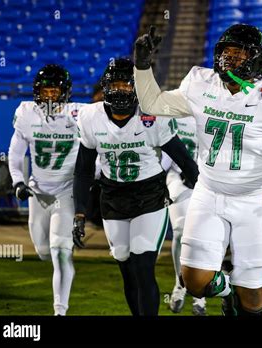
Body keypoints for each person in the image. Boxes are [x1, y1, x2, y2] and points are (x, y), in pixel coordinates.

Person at [133, 24, 262, 316]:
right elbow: (152, 103)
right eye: (226, 51)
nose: (230, 58)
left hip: (255, 202)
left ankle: (242, 294)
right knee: (194, 281)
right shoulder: (201, 84)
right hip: (208, 194)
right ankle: (226, 290)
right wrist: (142, 66)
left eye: (239, 53)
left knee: (252, 301)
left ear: (258, 59)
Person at [72, 58, 198, 316]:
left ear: (137, 89)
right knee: (127, 271)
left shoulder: (153, 115)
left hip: (148, 196)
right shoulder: (90, 117)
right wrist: (79, 212)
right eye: (115, 85)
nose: (121, 91)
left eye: (127, 86)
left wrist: (205, 195)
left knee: (142, 266)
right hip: (112, 198)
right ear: (105, 88)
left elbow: (184, 160)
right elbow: (83, 170)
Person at [8, 64, 85, 315]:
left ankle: (59, 310)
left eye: (54, 91)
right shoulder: (26, 113)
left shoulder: (79, 115)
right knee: (42, 251)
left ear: (65, 92)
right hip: (37, 192)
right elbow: (16, 152)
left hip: (66, 190)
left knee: (59, 251)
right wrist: (18, 181)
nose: (49, 97)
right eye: (45, 91)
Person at [163, 117, 207, 316]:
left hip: (207, 182)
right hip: (178, 178)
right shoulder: (172, 114)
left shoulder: (216, 111)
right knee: (181, 232)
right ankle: (180, 283)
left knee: (202, 236)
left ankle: (199, 291)